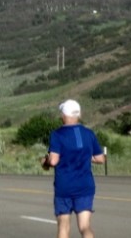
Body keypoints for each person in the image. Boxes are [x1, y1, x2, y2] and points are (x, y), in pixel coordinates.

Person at [41, 99, 105, 238]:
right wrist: (86, 156)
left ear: (64, 115)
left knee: (63, 226)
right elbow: (100, 159)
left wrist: (45, 161)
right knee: (85, 226)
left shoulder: (57, 134)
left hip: (64, 187)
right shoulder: (89, 133)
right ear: (78, 115)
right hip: (85, 186)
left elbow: (53, 161)